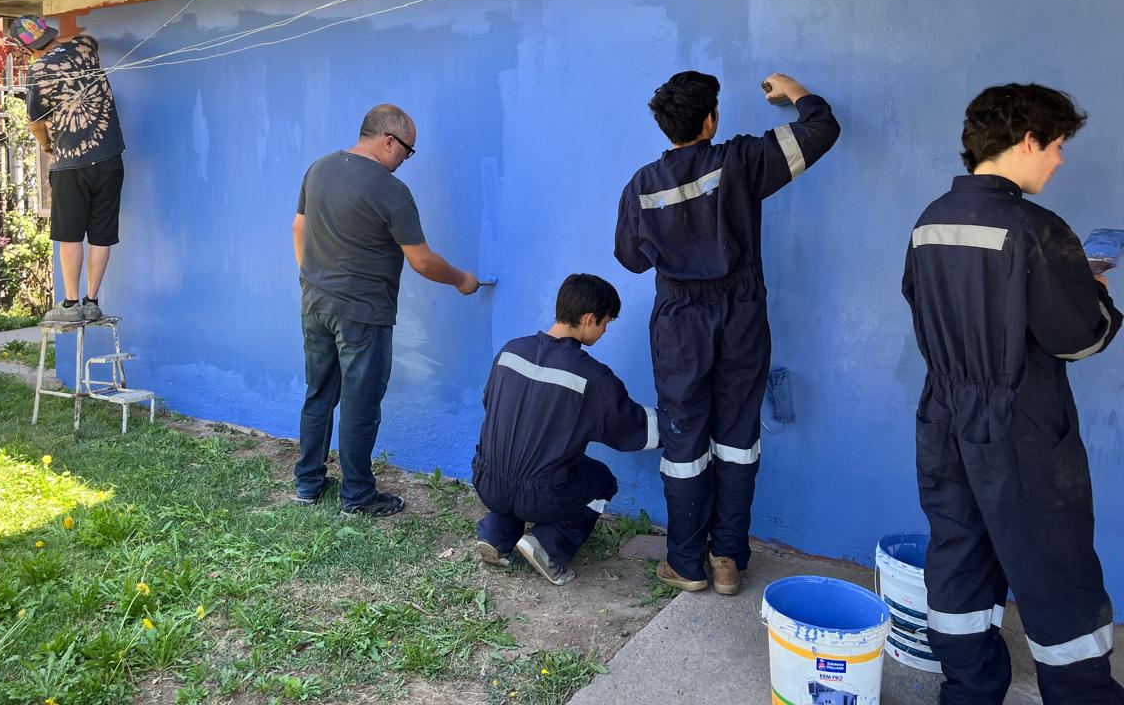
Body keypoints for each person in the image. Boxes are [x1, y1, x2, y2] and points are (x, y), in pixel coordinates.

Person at [902, 84, 1122, 705]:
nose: (1058, 160)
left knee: (960, 552)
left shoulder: (929, 220)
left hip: (943, 414)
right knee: (1055, 566)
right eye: (1055, 146)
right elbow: (1080, 339)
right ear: (1027, 140)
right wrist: (1089, 289)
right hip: (1020, 421)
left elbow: (926, 302)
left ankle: (969, 691)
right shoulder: (1036, 228)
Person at [615, 71, 839, 595]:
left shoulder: (642, 185)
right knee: (738, 436)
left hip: (677, 320)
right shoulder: (740, 160)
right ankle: (727, 561)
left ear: (664, 125)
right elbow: (822, 129)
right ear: (711, 119)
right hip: (741, 311)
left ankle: (685, 564)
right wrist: (796, 92)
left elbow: (628, 258)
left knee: (682, 436)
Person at [293, 104, 481, 518]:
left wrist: (309, 278)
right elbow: (423, 262)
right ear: (388, 140)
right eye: (407, 151)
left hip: (315, 304)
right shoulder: (390, 190)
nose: (405, 161)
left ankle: (308, 483)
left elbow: (298, 228)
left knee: (319, 394)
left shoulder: (319, 168)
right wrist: (462, 279)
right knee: (360, 404)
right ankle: (357, 496)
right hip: (363, 313)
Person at [472, 273, 660, 586]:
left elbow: (489, 403)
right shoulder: (591, 376)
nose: (604, 331)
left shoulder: (510, 351)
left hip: (485, 479)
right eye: (605, 323)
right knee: (601, 480)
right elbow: (634, 430)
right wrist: (682, 423)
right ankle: (547, 545)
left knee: (522, 466)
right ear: (589, 319)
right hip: (539, 496)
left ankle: (496, 534)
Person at [12, 13, 126, 324]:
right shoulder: (86, 48)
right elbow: (81, 38)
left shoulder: (37, 71)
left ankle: (71, 302)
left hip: (69, 164)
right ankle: (92, 300)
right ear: (50, 33)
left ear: (28, 49)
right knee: (101, 234)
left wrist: (47, 144)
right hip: (109, 157)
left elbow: (35, 123)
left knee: (70, 235)